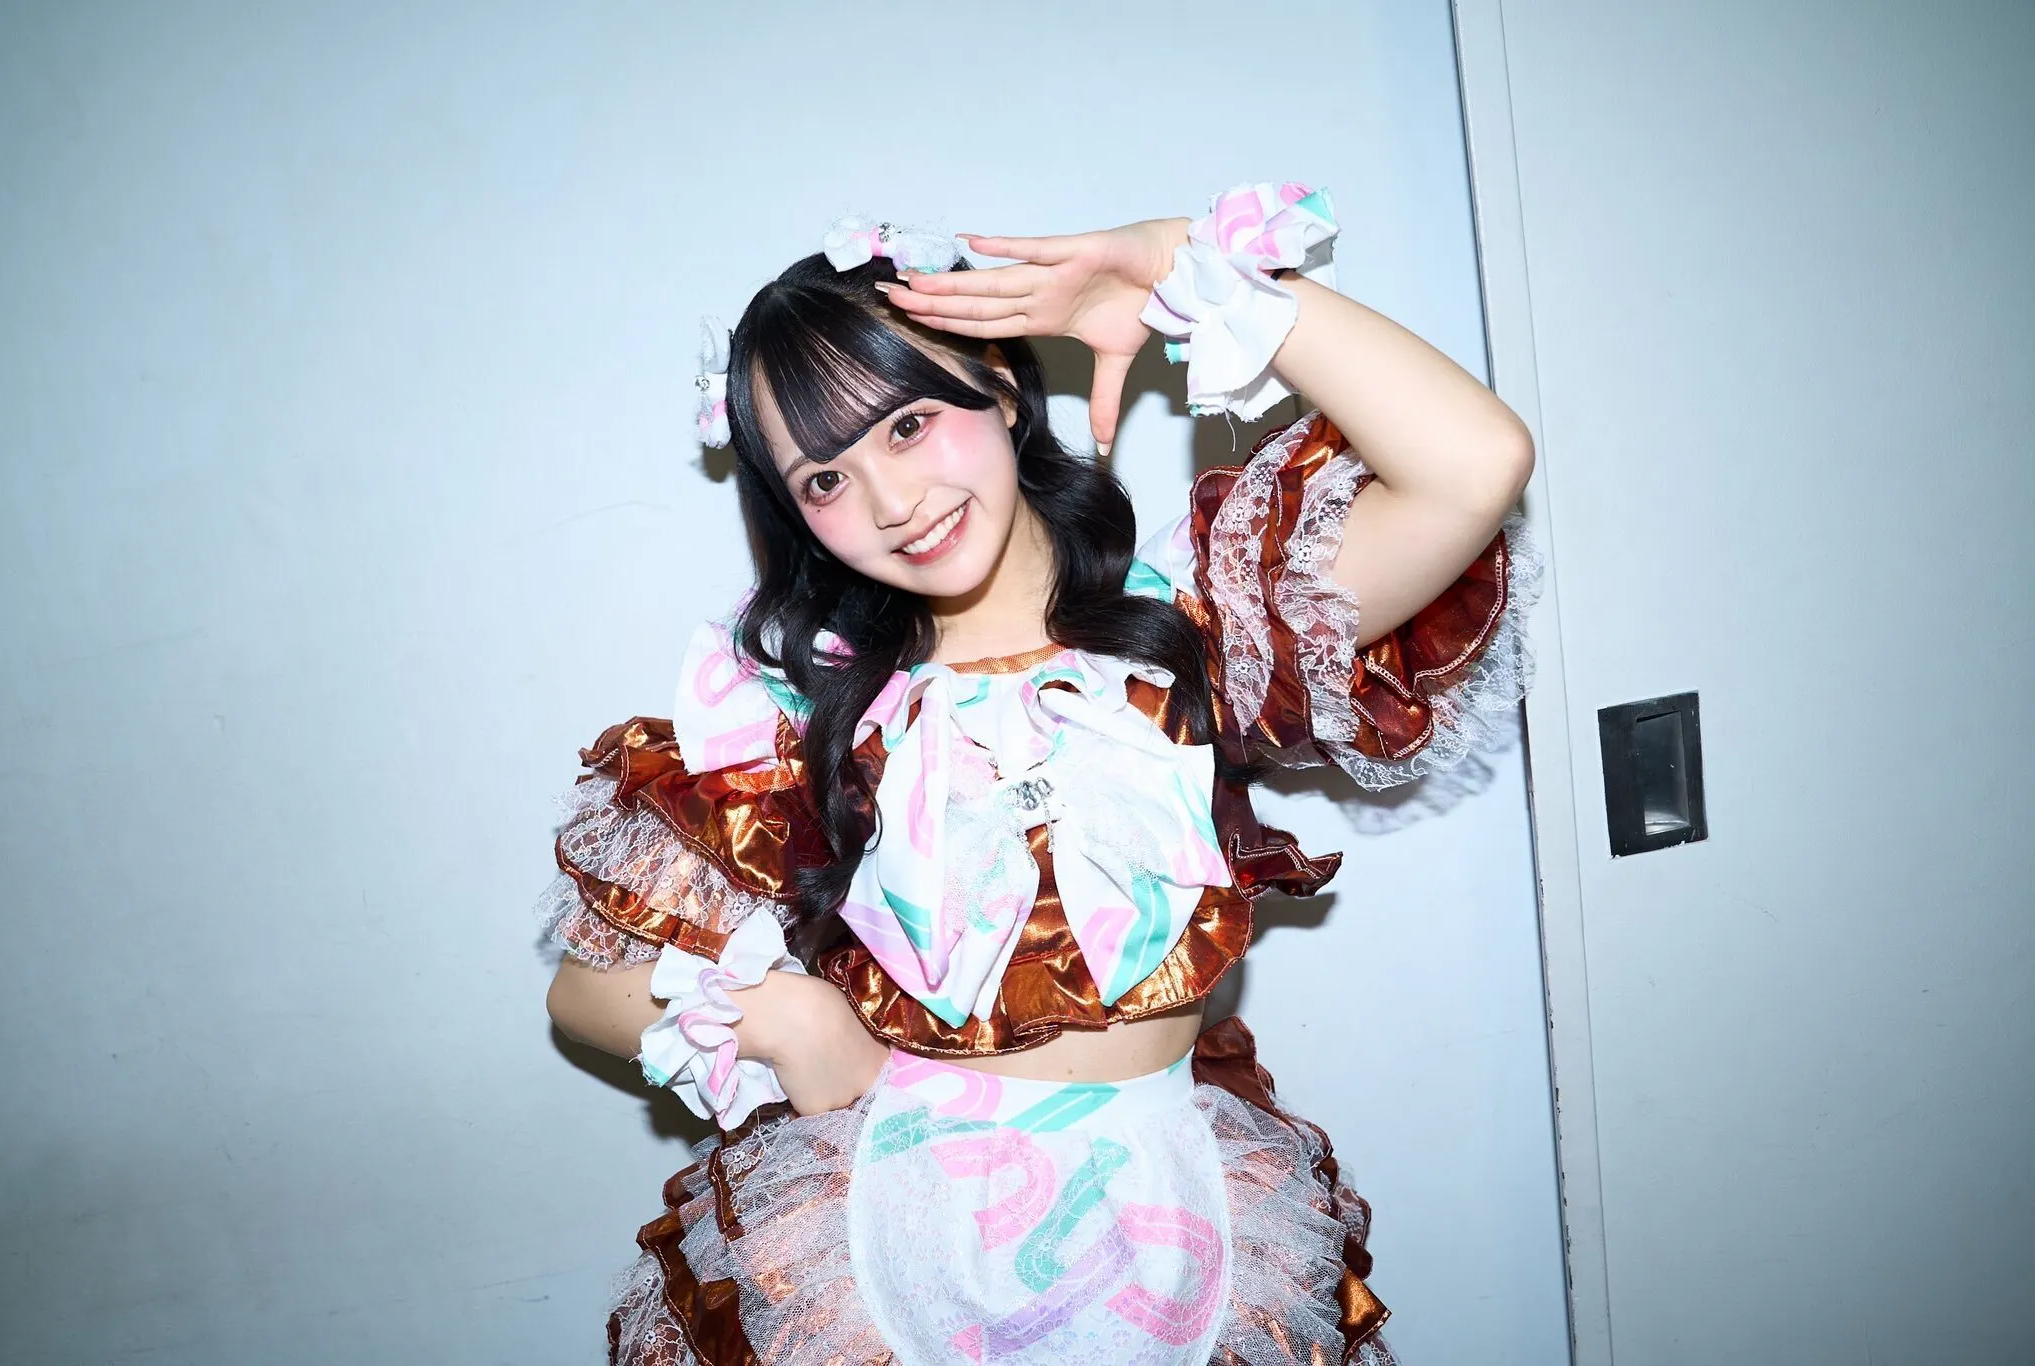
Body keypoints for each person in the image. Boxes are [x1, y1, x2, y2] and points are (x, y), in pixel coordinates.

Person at [538, 184, 1540, 1365]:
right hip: (884, 1243)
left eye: (907, 425)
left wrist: (1168, 263)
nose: (892, 501)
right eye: (824, 479)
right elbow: (583, 995)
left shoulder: (1190, 627)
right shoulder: (798, 714)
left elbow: (1475, 463)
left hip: (1173, 1226)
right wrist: (791, 1020)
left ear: (1002, 388)